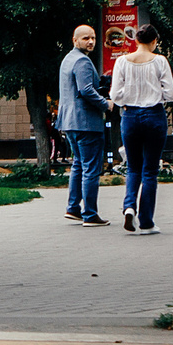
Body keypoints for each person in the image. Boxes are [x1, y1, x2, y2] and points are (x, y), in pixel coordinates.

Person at [109, 24, 173, 236]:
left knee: (133, 167)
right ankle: (146, 222)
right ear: (154, 41)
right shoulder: (160, 61)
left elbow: (115, 95)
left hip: (130, 116)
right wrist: (156, 95)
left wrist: (127, 100)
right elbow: (171, 93)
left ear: (136, 40)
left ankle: (129, 206)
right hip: (154, 115)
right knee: (150, 170)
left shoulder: (122, 61)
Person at [57, 23, 113, 226]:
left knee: (79, 165)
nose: (90, 42)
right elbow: (86, 90)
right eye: (85, 38)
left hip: (69, 122)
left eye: (93, 38)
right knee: (91, 168)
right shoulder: (82, 61)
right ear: (75, 40)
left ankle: (73, 208)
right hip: (86, 123)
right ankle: (90, 214)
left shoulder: (68, 59)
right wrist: (106, 104)